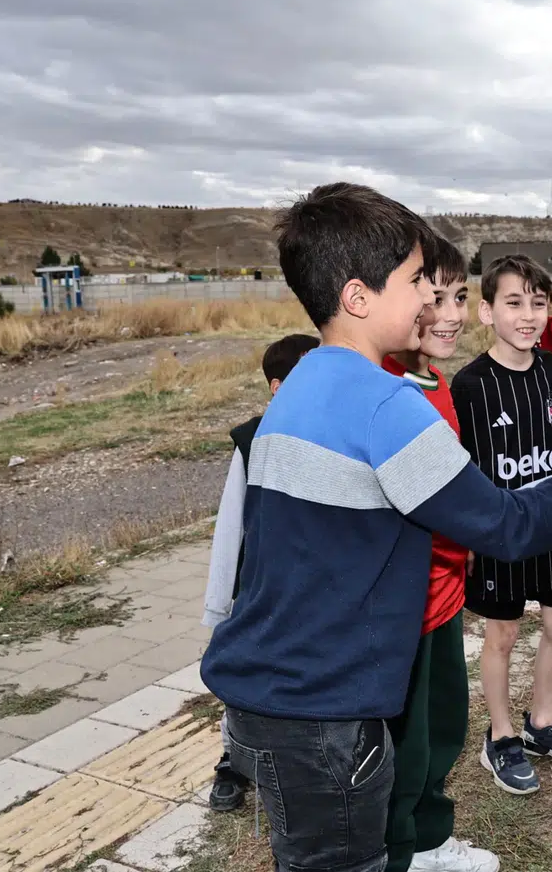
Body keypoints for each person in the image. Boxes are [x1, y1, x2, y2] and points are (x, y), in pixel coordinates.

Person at [199, 182, 552, 872]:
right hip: (324, 716)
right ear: (358, 297)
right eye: (414, 283)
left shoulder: (301, 382)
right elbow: (507, 525)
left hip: (268, 697)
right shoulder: (387, 405)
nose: (431, 299)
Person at [451, 255, 552, 797]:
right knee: (504, 633)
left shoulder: (551, 370)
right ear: (487, 312)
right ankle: (501, 735)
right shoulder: (469, 384)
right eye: (513, 303)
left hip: (549, 521)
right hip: (499, 528)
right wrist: (469, 537)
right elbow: (462, 470)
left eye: (538, 303)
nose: (528, 315)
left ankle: (542, 721)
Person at [380, 231, 499, 872]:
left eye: (459, 296)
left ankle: (427, 838)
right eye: (435, 296)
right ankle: (399, 851)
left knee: (444, 725)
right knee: (407, 745)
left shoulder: (435, 382)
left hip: (446, 592)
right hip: (409, 605)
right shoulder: (389, 388)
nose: (451, 314)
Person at [200, 331, 320, 813]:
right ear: (277, 386)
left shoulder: (335, 431)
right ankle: (233, 761)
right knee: (246, 672)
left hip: (313, 586)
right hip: (260, 586)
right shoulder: (251, 441)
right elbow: (231, 526)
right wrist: (220, 604)